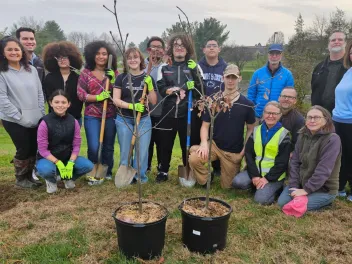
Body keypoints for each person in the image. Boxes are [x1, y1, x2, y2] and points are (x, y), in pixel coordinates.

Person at [189, 64, 255, 189]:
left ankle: (231, 173)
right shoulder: (213, 100)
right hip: (214, 145)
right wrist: (204, 144)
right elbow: (205, 126)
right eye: (227, 77)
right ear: (222, 78)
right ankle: (206, 178)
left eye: (234, 77)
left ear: (239, 79)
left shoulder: (247, 104)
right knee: (194, 158)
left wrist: (244, 151)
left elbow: (251, 128)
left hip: (233, 151)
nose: (230, 80)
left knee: (228, 187)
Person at [156, 34, 203, 182]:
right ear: (172, 48)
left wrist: (194, 78)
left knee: (187, 143)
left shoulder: (195, 66)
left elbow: (201, 91)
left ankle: (188, 168)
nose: (179, 48)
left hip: (187, 112)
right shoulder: (164, 67)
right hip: (168, 112)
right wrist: (175, 90)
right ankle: (163, 170)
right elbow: (161, 89)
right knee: (165, 143)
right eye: (176, 45)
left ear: (187, 48)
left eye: (182, 45)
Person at [0, 37, 45, 188]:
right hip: (14, 120)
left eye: (17, 49)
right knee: (23, 147)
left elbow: (40, 93)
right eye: (10, 49)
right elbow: (2, 99)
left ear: (22, 52)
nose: (14, 52)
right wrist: (19, 117)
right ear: (3, 52)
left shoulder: (31, 70)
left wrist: (41, 113)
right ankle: (21, 180)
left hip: (34, 116)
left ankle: (29, 177)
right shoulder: (2, 73)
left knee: (33, 147)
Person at [278, 106, 341, 212]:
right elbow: (294, 162)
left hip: (323, 189)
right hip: (300, 184)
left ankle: (325, 202)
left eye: (316, 117)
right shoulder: (302, 136)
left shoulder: (332, 139)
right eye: (309, 117)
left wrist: (306, 190)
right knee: (282, 203)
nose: (312, 120)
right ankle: (305, 200)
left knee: (294, 207)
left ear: (325, 120)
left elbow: (324, 169)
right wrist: (294, 185)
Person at [233, 101, 291, 205]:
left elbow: (282, 162)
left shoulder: (284, 135)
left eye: (274, 114)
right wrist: (255, 176)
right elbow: (249, 155)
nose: (271, 116)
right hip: (256, 171)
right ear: (263, 114)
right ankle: (257, 185)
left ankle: (276, 189)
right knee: (237, 182)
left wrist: (266, 178)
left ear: (280, 115)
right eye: (268, 112)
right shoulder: (256, 130)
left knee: (260, 200)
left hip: (274, 176)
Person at [36, 90, 94, 193]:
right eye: (56, 102)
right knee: (46, 169)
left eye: (63, 102)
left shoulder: (74, 121)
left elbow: (76, 145)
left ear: (68, 104)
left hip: (67, 157)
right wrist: (58, 163)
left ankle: (68, 178)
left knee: (88, 166)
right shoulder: (44, 122)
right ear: (51, 103)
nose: (60, 105)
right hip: (48, 159)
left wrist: (71, 162)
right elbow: (42, 150)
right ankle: (51, 180)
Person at [113, 48, 157, 183]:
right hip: (124, 119)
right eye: (129, 58)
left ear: (140, 59)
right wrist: (132, 106)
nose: (132, 60)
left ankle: (140, 177)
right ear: (126, 61)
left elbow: (154, 101)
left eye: (135, 57)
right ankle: (126, 175)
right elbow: (116, 100)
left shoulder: (147, 78)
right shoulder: (121, 78)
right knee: (126, 149)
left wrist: (149, 86)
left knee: (142, 151)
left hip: (143, 119)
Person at [77, 41, 118, 182]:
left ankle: (106, 171)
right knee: (94, 145)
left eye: (104, 54)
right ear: (91, 55)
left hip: (111, 115)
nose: (101, 56)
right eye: (98, 54)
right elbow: (80, 94)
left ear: (109, 56)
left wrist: (114, 80)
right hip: (92, 116)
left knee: (108, 145)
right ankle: (92, 169)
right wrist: (97, 97)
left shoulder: (114, 73)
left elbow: (121, 93)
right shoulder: (86, 74)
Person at [198, 39, 227, 176]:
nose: (211, 48)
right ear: (204, 50)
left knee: (217, 136)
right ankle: (198, 165)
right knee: (200, 135)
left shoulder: (224, 67)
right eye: (208, 46)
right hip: (200, 108)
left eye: (214, 46)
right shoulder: (198, 66)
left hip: (218, 108)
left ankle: (217, 167)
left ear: (219, 49)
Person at [247, 44, 294, 119]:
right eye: (272, 53)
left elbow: (289, 97)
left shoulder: (287, 75)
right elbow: (251, 94)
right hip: (258, 115)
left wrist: (282, 112)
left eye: (277, 54)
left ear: (281, 55)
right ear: (268, 55)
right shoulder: (258, 73)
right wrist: (252, 111)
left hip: (277, 116)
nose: (274, 56)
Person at [42, 41, 84, 125]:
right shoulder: (49, 78)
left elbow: (80, 100)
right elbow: (49, 99)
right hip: (54, 119)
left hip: (74, 118)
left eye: (65, 57)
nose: (62, 60)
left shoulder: (78, 78)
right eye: (58, 57)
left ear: (71, 59)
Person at [144, 36, 168, 173]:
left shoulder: (166, 67)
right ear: (148, 49)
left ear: (163, 50)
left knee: (161, 142)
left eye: (159, 47)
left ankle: (161, 168)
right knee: (147, 142)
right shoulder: (143, 66)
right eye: (153, 47)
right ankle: (146, 167)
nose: (156, 50)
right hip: (146, 112)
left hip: (163, 111)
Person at [332, 40, 352, 201]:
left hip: (350, 122)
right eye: (351, 51)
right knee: (342, 155)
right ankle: (340, 186)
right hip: (339, 120)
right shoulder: (348, 72)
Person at [311, 32, 347, 114]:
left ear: (345, 44)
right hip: (320, 116)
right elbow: (314, 91)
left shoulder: (349, 67)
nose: (336, 42)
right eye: (333, 40)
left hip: (343, 117)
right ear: (328, 44)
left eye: (340, 40)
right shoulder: (319, 68)